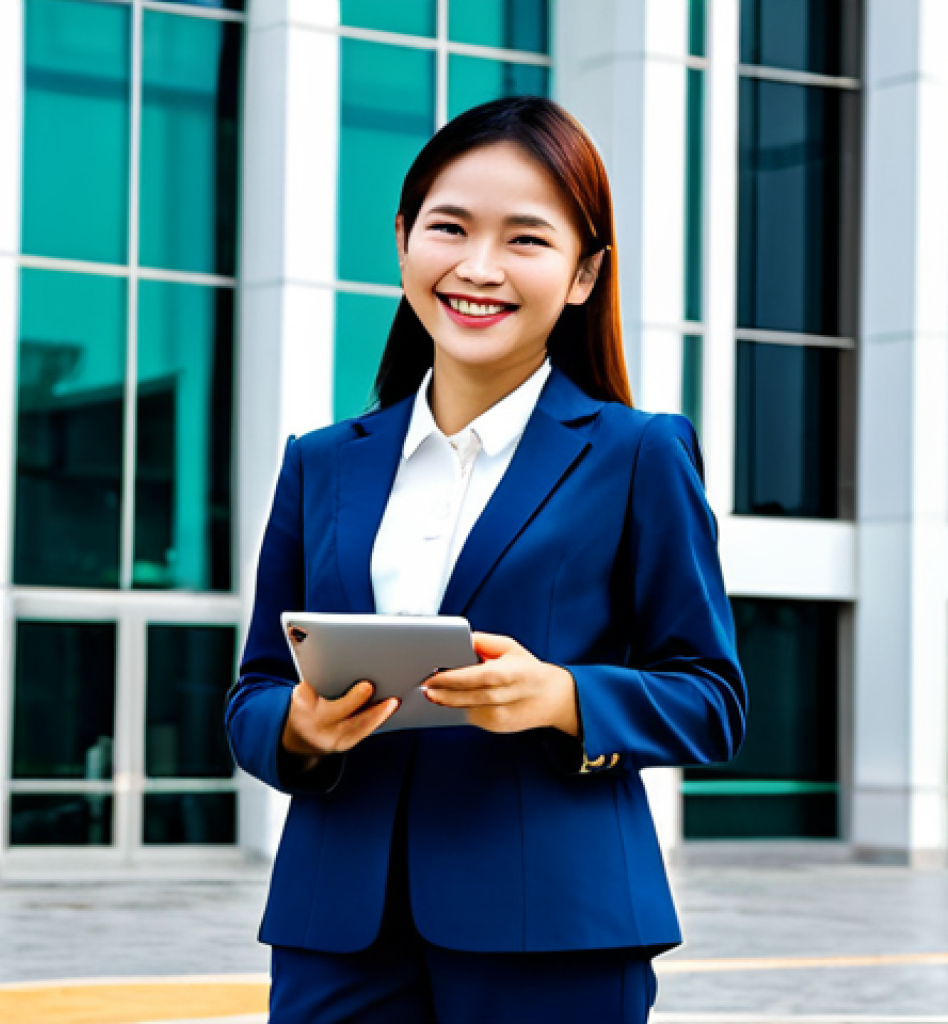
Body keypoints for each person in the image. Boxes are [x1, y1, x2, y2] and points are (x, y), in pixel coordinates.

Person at [226, 96, 747, 1024]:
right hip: (338, 924)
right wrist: (298, 727)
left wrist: (562, 697)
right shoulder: (322, 462)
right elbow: (256, 688)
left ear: (585, 274)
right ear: (403, 241)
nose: (477, 267)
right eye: (450, 228)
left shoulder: (638, 455)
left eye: (526, 240)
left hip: (553, 926)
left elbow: (713, 698)